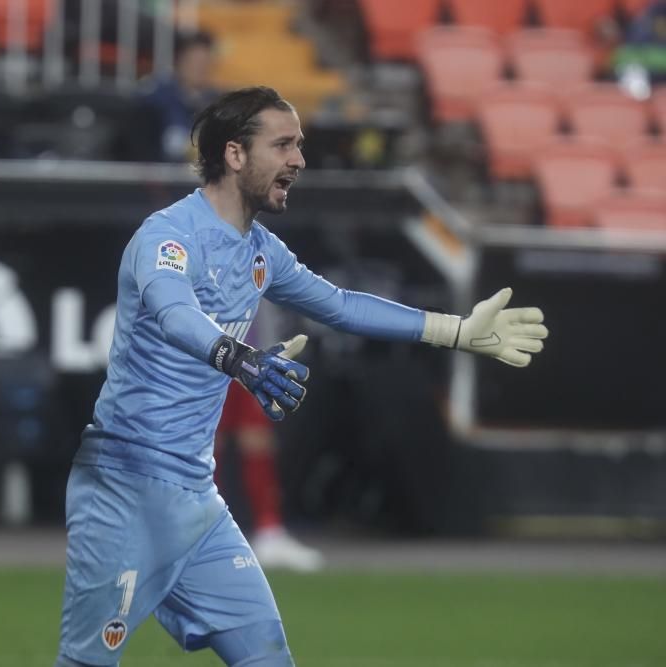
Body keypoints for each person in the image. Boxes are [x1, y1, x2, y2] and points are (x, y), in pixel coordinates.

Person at [55, 86, 548, 667]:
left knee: (267, 656)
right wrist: (238, 357)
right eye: (283, 144)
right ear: (235, 154)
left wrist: (456, 331)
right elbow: (172, 311)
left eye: (300, 145)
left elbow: (340, 305)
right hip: (126, 489)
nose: (299, 159)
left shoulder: (262, 250)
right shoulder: (168, 235)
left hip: (196, 499)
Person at [214, 302, 324, 573]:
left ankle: (269, 531)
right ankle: (200, 534)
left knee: (256, 440)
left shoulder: (255, 261)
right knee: (204, 445)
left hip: (249, 357)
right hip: (206, 355)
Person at [142, 29, 220, 162]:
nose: (199, 68)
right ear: (178, 61)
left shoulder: (217, 103)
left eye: (204, 63)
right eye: (193, 62)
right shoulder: (156, 98)